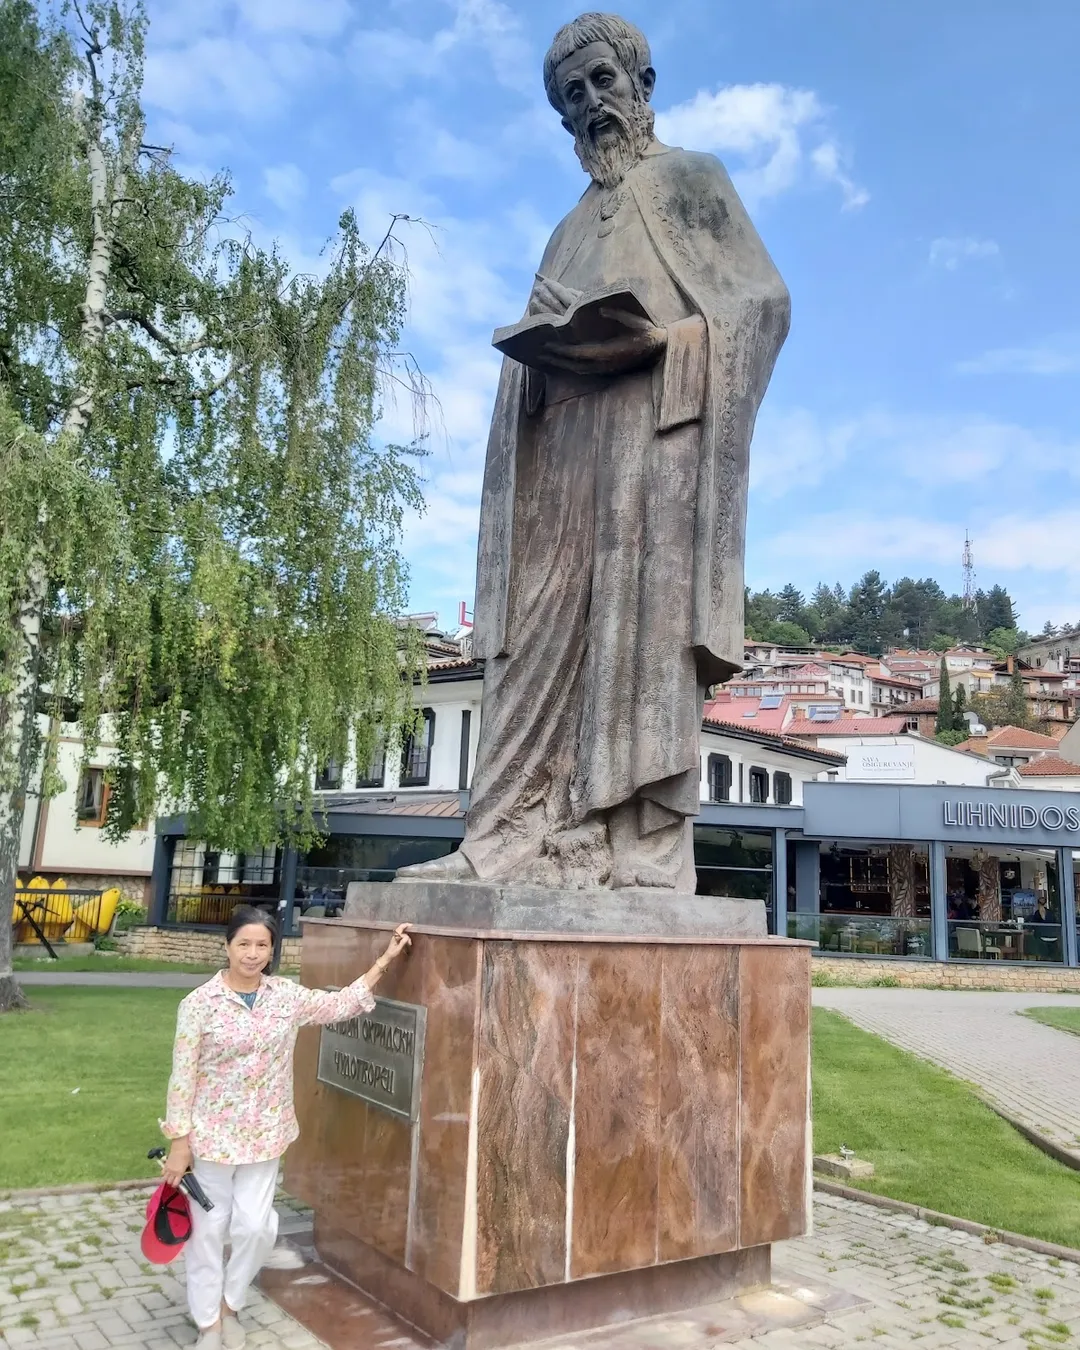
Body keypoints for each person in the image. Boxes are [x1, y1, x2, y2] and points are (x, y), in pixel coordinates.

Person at [398, 11, 788, 893]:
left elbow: (760, 306)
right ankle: (504, 833)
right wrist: (542, 349)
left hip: (654, 449)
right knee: (535, 638)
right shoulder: (565, 228)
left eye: (603, 83)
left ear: (642, 84)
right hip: (564, 448)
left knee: (636, 635)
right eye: (572, 98)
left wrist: (668, 343)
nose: (592, 107)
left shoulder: (694, 180)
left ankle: (636, 848)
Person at [160, 905, 412, 1349]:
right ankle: (208, 1323)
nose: (253, 954)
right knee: (208, 1230)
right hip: (212, 1137)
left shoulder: (285, 997)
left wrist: (385, 960)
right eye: (244, 944)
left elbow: (338, 1005)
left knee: (257, 1228)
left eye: (262, 945)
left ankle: (230, 1304)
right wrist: (179, 1141)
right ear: (228, 946)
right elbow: (182, 1075)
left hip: (266, 1134)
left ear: (272, 950)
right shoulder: (199, 1004)